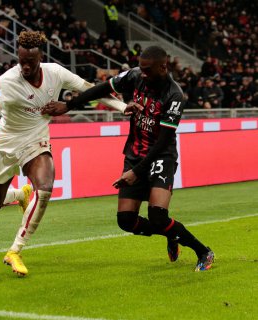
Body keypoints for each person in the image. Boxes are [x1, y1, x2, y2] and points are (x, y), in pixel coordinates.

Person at [0, 30, 126, 277]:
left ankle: (15, 250)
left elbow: (90, 88)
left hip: (36, 142)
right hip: (6, 145)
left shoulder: (55, 73)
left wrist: (123, 107)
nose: (25, 66)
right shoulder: (6, 82)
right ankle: (20, 194)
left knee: (46, 187)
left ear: (40, 58)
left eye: (30, 62)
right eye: (21, 61)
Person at [42, 46, 215, 272]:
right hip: (134, 153)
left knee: (157, 215)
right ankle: (171, 234)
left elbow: (163, 141)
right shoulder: (134, 76)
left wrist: (137, 172)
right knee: (125, 221)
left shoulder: (174, 96)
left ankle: (203, 251)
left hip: (161, 156)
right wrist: (69, 105)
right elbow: (101, 89)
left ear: (163, 67)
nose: (142, 73)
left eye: (147, 69)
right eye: (141, 68)